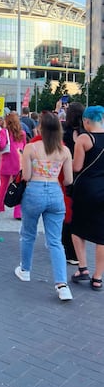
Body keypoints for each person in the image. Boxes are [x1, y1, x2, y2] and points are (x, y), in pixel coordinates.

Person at [15, 112, 73, 301]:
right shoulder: (64, 151)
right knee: (55, 241)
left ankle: (25, 269)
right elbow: (69, 179)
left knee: (28, 234)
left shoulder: (31, 148)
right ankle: (62, 284)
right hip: (56, 193)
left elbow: (26, 176)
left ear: (41, 128)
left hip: (35, 191)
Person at [71, 106, 104, 291]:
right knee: (102, 236)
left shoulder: (85, 138)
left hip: (87, 189)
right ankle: (98, 278)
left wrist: (76, 144)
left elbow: (77, 167)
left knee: (77, 228)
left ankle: (82, 267)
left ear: (86, 121)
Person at [61, 102, 85, 265]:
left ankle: (66, 249)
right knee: (78, 213)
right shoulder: (86, 134)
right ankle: (77, 253)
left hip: (66, 176)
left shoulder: (64, 133)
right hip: (84, 177)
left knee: (66, 213)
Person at [0, 112, 26, 219]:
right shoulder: (22, 133)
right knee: (19, 186)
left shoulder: (3, 132)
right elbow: (24, 146)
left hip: (6, 161)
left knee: (3, 185)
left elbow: (1, 145)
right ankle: (18, 212)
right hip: (18, 161)